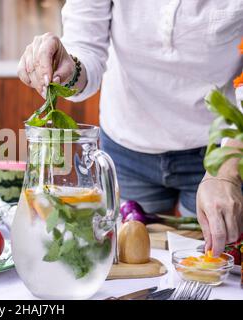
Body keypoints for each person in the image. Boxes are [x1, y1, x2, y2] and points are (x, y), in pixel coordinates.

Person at [17, 0, 243, 255]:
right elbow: (86, 49)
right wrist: (68, 70)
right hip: (127, 146)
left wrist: (226, 170)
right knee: (127, 256)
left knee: (212, 266)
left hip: (217, 149)